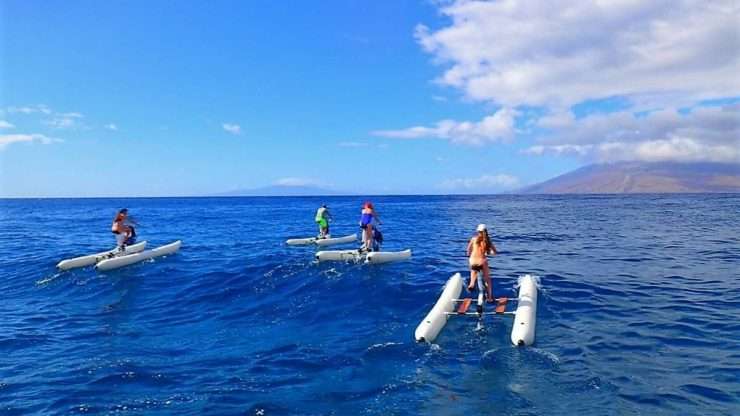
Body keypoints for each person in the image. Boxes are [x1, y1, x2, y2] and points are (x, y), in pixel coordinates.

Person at [466, 223, 497, 302]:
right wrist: (489, 252)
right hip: (482, 262)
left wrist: (469, 255)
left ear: (478, 231)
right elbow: (495, 252)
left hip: (472, 260)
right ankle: (489, 298)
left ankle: (471, 284)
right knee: (487, 280)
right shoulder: (488, 241)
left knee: (473, 274)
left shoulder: (473, 239)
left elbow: (468, 251)